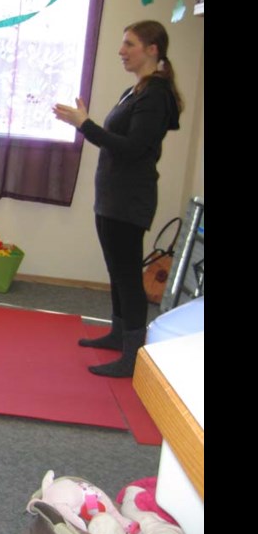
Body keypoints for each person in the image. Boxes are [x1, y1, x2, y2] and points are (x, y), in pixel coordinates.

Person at [53, 20, 182, 378]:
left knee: (127, 274)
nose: (122, 51)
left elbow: (131, 148)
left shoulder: (155, 94)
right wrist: (84, 123)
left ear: (152, 50)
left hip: (129, 199)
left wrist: (84, 124)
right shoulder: (138, 90)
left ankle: (133, 356)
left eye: (130, 44)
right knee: (117, 269)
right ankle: (117, 334)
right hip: (113, 196)